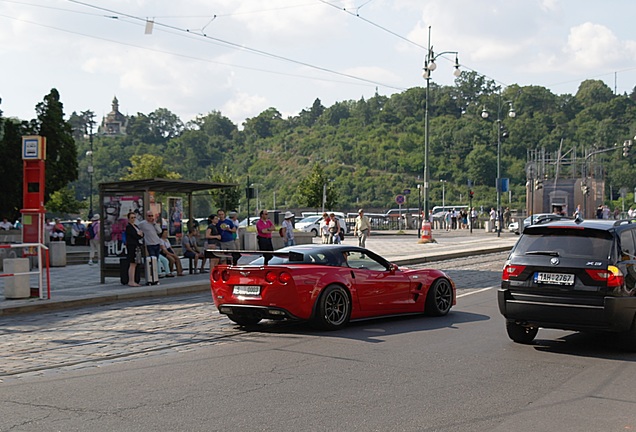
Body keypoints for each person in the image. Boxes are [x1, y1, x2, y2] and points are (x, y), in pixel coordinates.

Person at [124, 212, 143, 287]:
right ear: (128, 219)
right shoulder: (128, 227)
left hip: (136, 246)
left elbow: (141, 234)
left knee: (135, 263)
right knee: (132, 263)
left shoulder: (135, 226)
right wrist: (139, 234)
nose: (133, 219)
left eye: (134, 217)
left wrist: (140, 234)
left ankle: (134, 279)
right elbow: (136, 235)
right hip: (132, 246)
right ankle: (131, 281)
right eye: (132, 218)